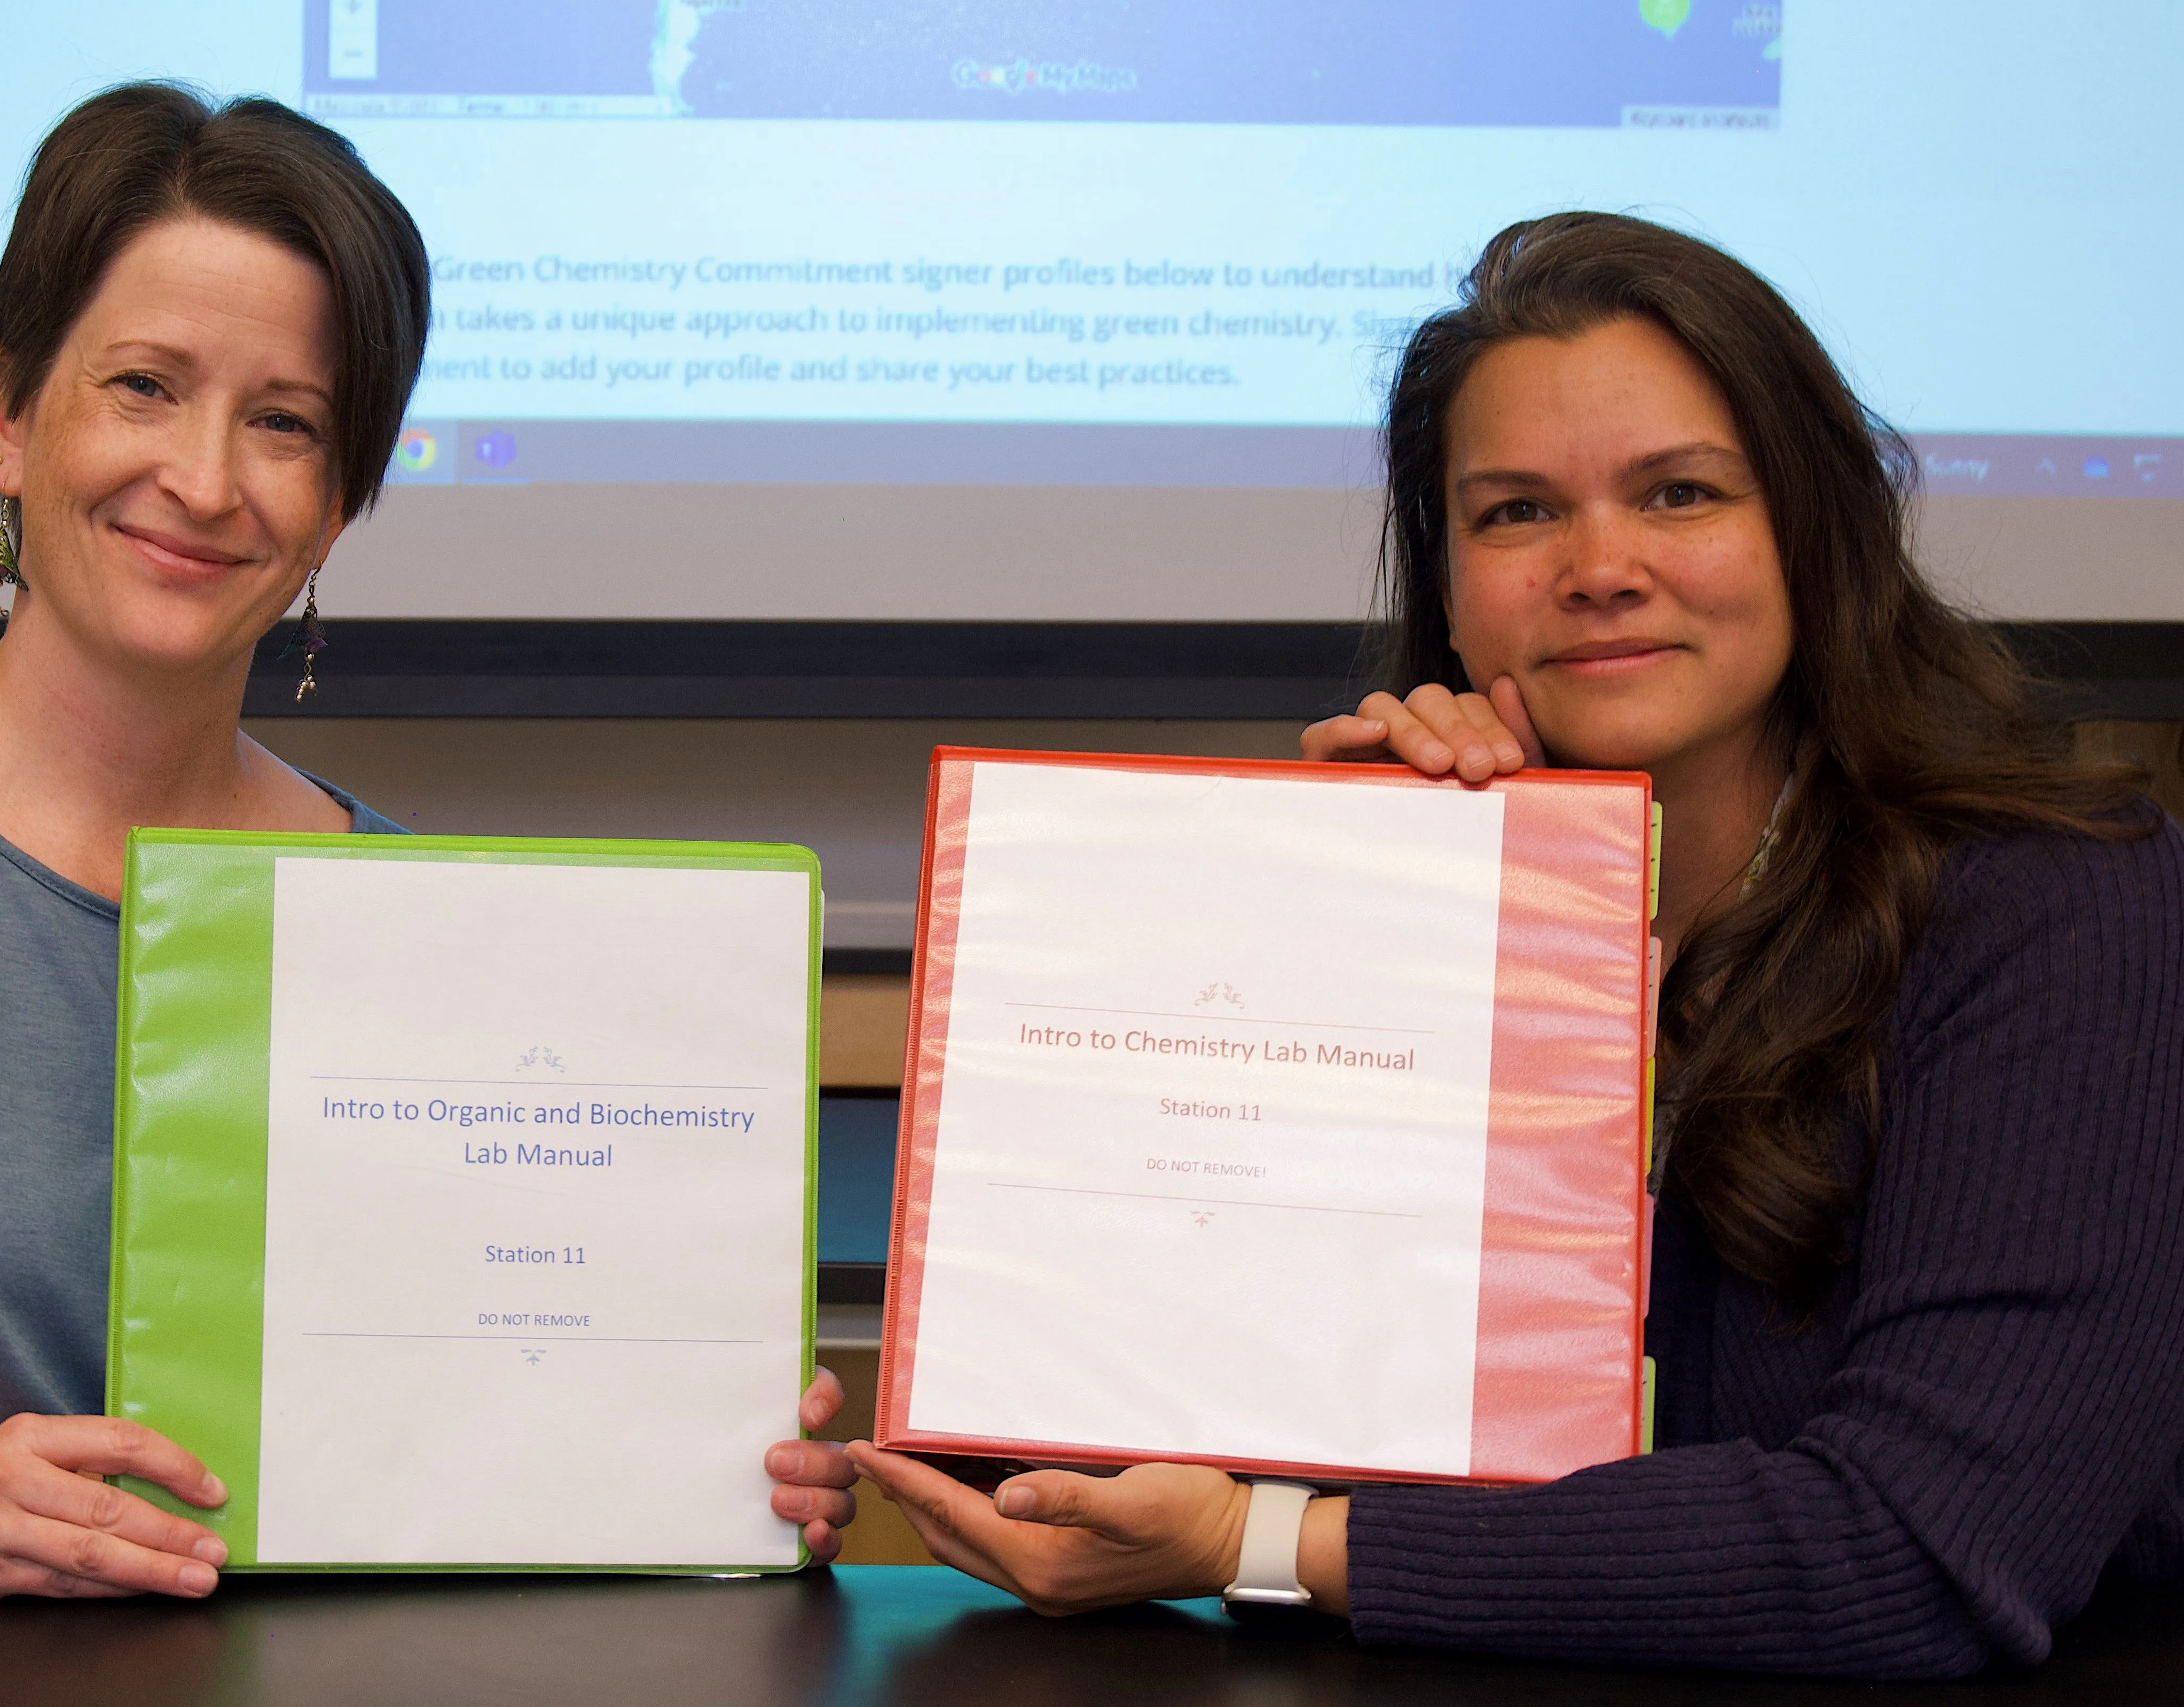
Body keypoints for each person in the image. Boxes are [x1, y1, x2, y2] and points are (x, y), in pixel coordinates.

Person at [0, 84, 854, 1596]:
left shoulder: (416, 932)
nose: (203, 480)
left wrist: (702, 1466)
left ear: (338, 506)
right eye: (142, 385)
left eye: (284, 423)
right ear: (4, 413)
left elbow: (461, 1444)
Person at [847, 212, 2184, 1679]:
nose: (1598, 568)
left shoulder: (2060, 906)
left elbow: (1917, 1549)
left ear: (1814, 526)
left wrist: (1266, 1544)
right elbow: (1135, 1430)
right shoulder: (1419, 894)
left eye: (1677, 494)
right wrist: (1336, 921)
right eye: (1516, 513)